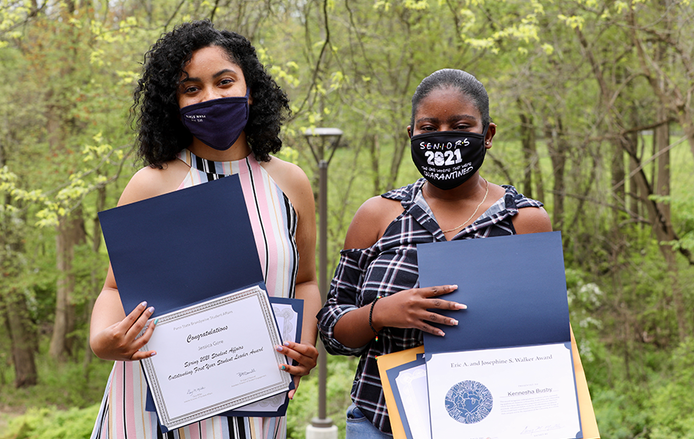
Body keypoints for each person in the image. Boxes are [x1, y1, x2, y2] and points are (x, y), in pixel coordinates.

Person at [89, 20, 319, 439]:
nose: (210, 97)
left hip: (257, 403)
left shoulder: (290, 183)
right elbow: (113, 289)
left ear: (251, 88)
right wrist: (103, 340)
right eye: (191, 88)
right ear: (173, 103)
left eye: (224, 81)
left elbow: (304, 281)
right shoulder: (152, 183)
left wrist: (303, 347)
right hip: (153, 407)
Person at [316, 68, 552, 437]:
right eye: (429, 128)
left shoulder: (525, 220)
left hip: (489, 423)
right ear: (411, 135)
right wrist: (382, 312)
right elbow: (332, 331)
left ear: (487, 134)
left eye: (460, 125)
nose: (444, 138)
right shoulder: (378, 214)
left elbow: (546, 341)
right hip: (380, 422)